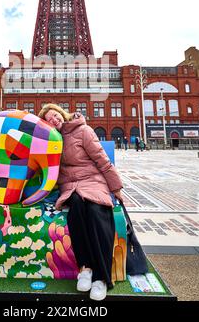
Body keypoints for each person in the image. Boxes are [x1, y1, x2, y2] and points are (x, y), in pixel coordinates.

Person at [38, 103, 124, 301]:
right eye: (49, 119)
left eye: (56, 115)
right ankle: (85, 268)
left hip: (93, 181)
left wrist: (116, 188)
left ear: (62, 114)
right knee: (76, 210)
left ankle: (102, 278)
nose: (54, 119)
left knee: (96, 211)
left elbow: (101, 159)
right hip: (71, 187)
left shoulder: (83, 130)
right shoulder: (51, 140)